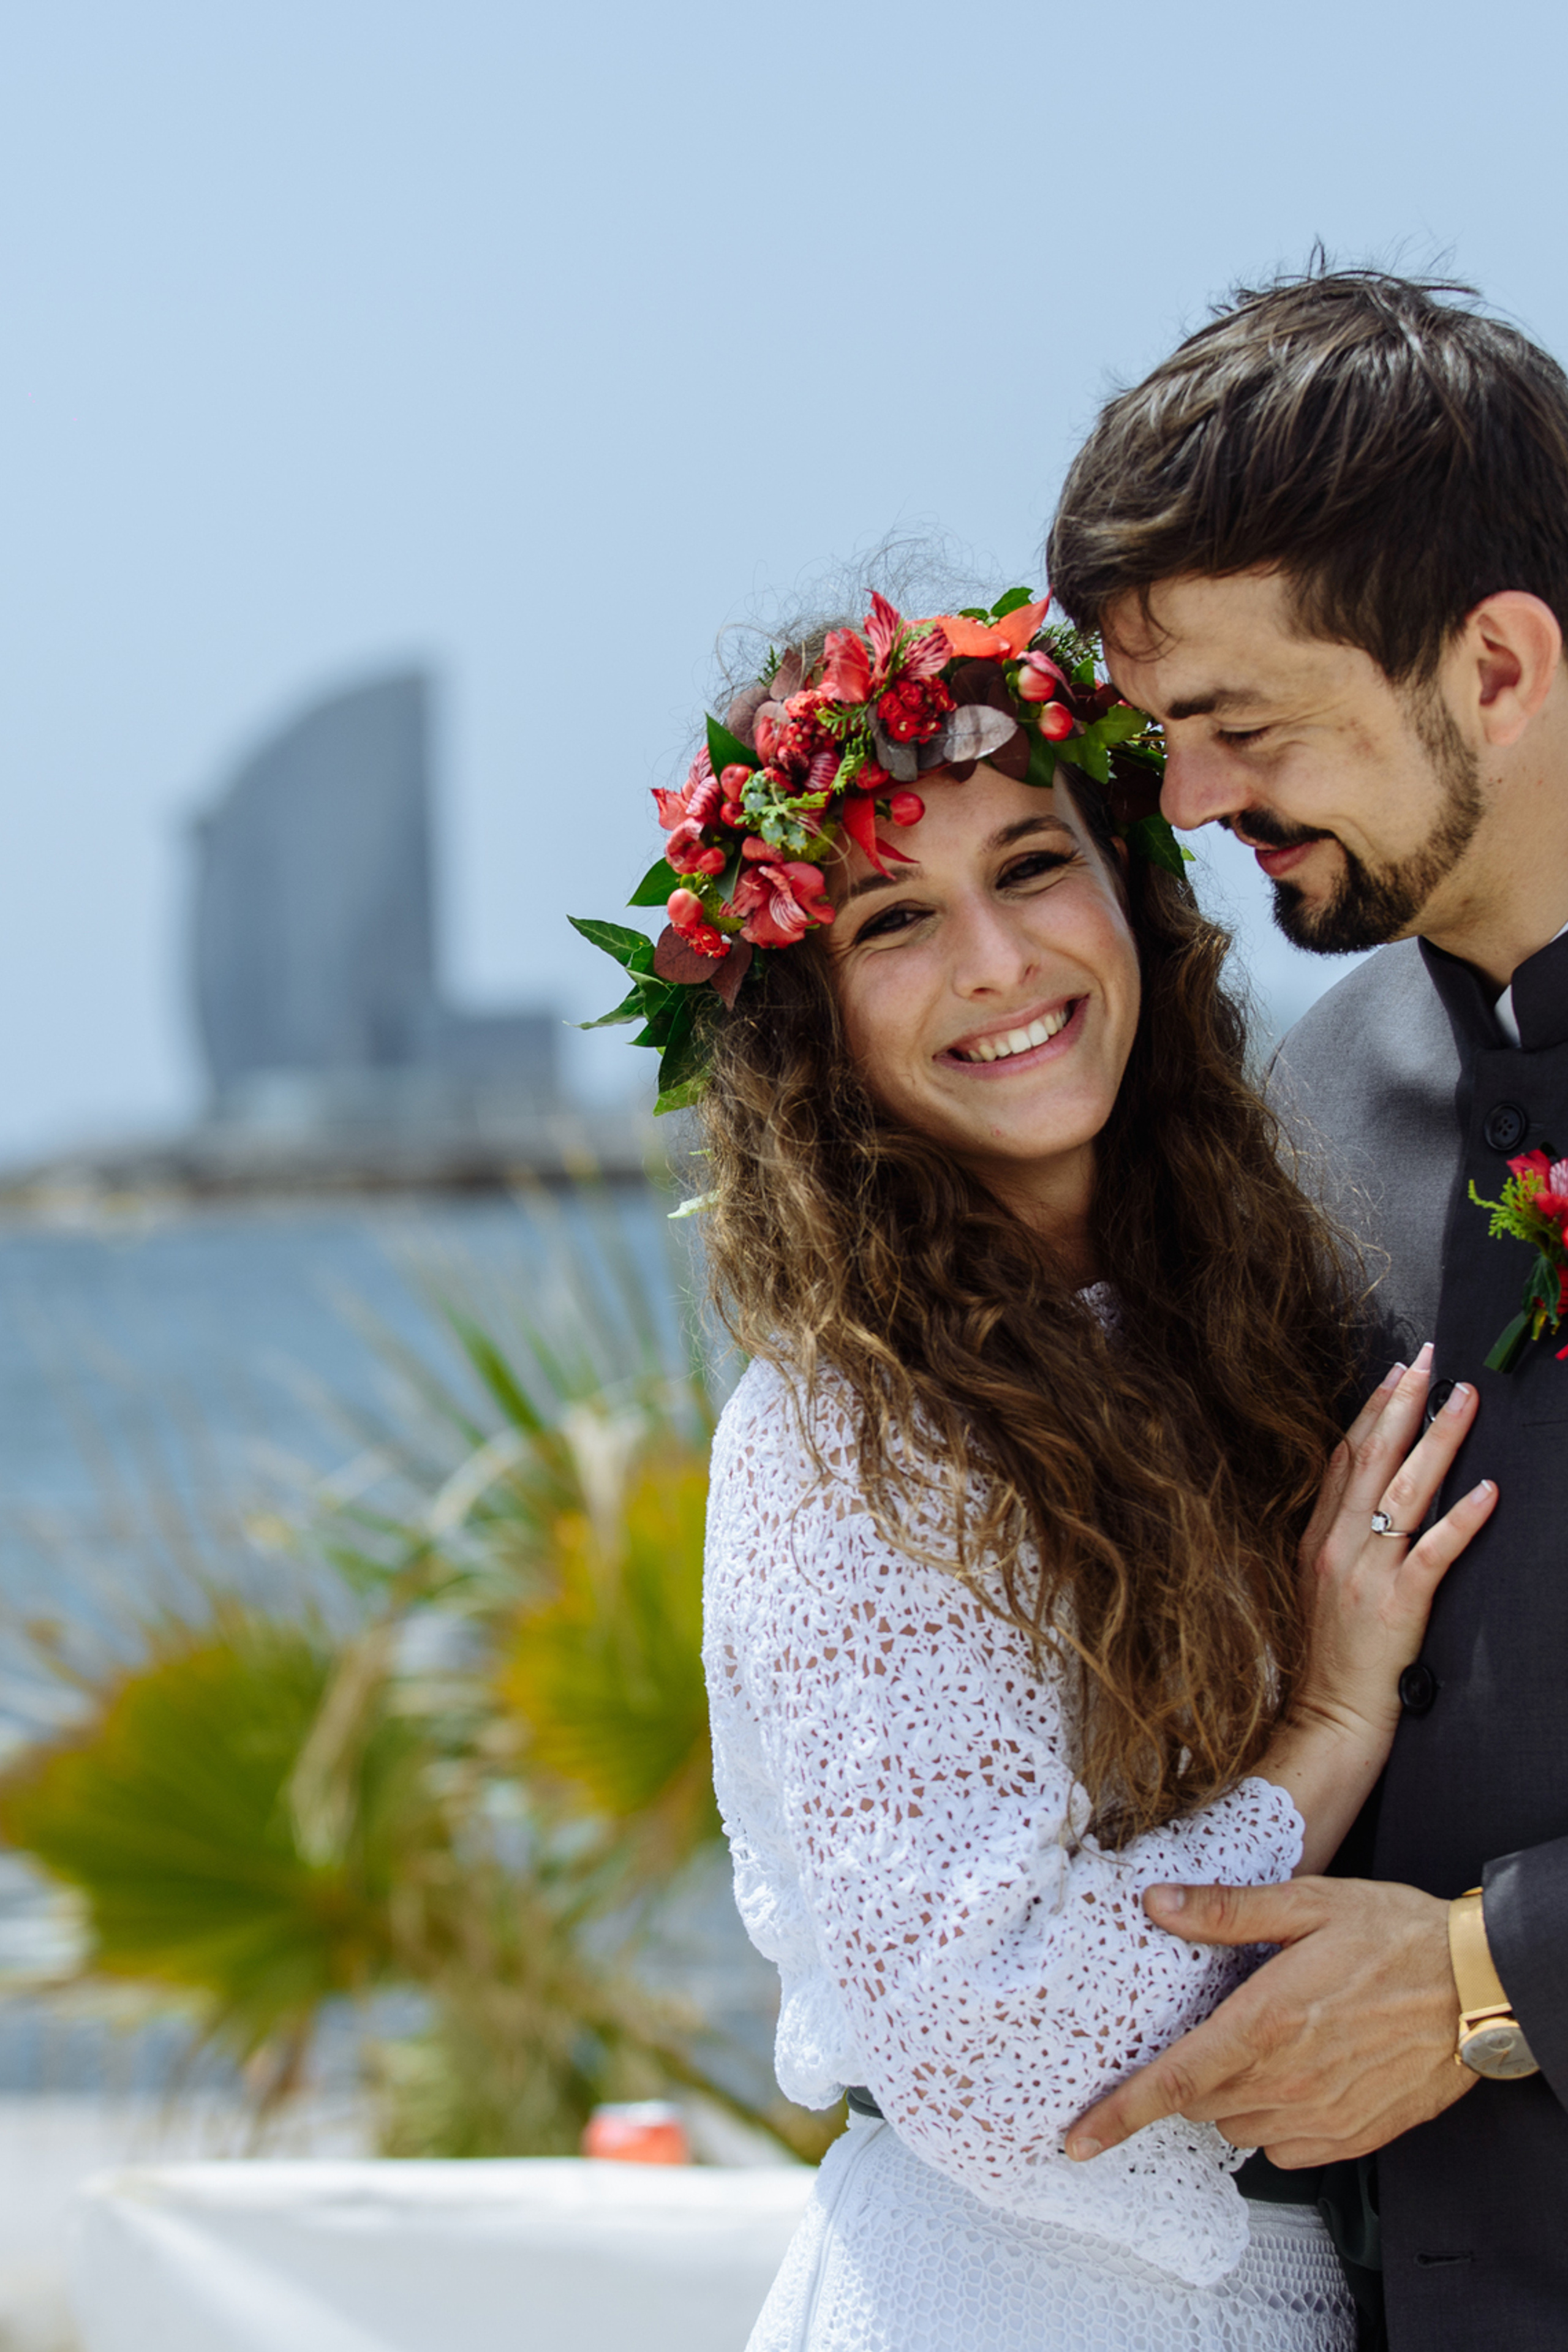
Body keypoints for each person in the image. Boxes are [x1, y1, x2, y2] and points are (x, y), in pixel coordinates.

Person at [573, 588, 1496, 2348]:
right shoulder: (854, 1437)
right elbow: (997, 2050)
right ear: (804, 1017)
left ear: (1133, 887)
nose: (997, 964)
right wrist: (1330, 1728)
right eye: (896, 918)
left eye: (1032, 867)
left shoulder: (1241, 1300)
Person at [1044, 266, 1568, 2348]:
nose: (1180, 809)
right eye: (1156, 740)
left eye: (1242, 728)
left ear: (1503, 669)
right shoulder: (1291, 1112)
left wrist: (1494, 1975)